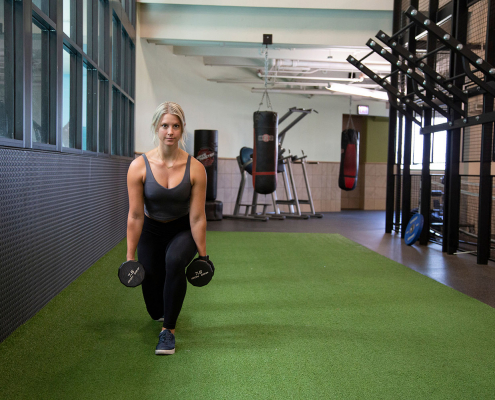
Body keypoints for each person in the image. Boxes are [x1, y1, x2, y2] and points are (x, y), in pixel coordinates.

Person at [126, 102, 208, 355]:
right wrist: (130, 257)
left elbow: (197, 218)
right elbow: (136, 215)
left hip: (182, 228)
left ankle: (168, 332)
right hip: (151, 229)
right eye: (165, 126)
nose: (170, 131)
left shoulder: (196, 168)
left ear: (182, 130)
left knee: (174, 261)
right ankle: (162, 315)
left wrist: (204, 256)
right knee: (153, 307)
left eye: (175, 126)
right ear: (156, 128)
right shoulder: (138, 166)